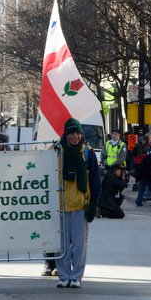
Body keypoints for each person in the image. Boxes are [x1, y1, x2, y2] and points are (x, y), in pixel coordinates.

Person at [55, 118, 100, 288]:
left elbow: (95, 182)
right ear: (66, 134)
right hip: (60, 206)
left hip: (81, 205)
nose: (75, 136)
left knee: (79, 246)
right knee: (62, 246)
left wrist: (93, 206)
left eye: (78, 133)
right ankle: (63, 275)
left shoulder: (88, 152)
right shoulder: (56, 151)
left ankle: (76, 277)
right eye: (72, 133)